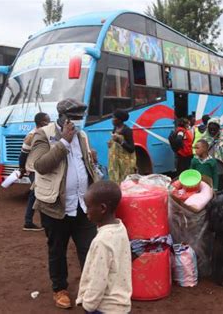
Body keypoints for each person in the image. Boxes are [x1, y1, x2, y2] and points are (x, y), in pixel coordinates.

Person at [29, 98, 99, 309]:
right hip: (55, 206)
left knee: (89, 249)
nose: (76, 123)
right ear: (62, 116)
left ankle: (91, 290)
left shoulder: (83, 135)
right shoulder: (43, 134)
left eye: (79, 118)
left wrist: (91, 160)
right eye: (73, 118)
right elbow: (40, 165)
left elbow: (82, 165)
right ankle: (60, 289)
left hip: (82, 204)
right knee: (57, 250)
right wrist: (64, 143)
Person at [76, 181, 132, 313]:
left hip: (104, 308)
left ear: (102, 208)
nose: (86, 211)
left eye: (88, 207)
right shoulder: (120, 228)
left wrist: (88, 305)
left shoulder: (102, 241)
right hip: (121, 305)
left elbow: (98, 279)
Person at [19, 112, 50, 231]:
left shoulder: (46, 133)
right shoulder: (31, 136)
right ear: (41, 122)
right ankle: (28, 222)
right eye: (47, 121)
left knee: (40, 194)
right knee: (36, 193)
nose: (49, 123)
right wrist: (21, 169)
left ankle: (44, 222)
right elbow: (23, 154)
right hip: (33, 169)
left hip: (43, 168)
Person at [108, 109, 136, 184]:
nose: (112, 120)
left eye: (114, 118)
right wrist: (111, 144)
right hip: (115, 162)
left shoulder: (127, 130)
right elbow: (115, 143)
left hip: (124, 164)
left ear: (119, 120)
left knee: (124, 183)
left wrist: (120, 142)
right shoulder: (115, 129)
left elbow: (131, 149)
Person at [203, 118, 223, 191]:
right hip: (207, 167)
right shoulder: (204, 137)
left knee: (220, 188)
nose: (212, 131)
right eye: (210, 128)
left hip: (220, 167)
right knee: (207, 189)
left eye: (214, 128)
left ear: (218, 128)